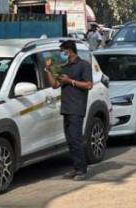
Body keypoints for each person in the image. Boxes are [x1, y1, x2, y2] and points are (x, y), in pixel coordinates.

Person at [44, 40, 93, 181]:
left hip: (77, 108)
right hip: (66, 108)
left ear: (69, 51)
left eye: (62, 51)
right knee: (70, 140)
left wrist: (70, 81)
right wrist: (48, 70)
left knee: (76, 139)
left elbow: (88, 85)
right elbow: (55, 85)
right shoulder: (64, 67)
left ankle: (82, 170)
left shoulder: (83, 65)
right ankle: (76, 168)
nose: (61, 54)